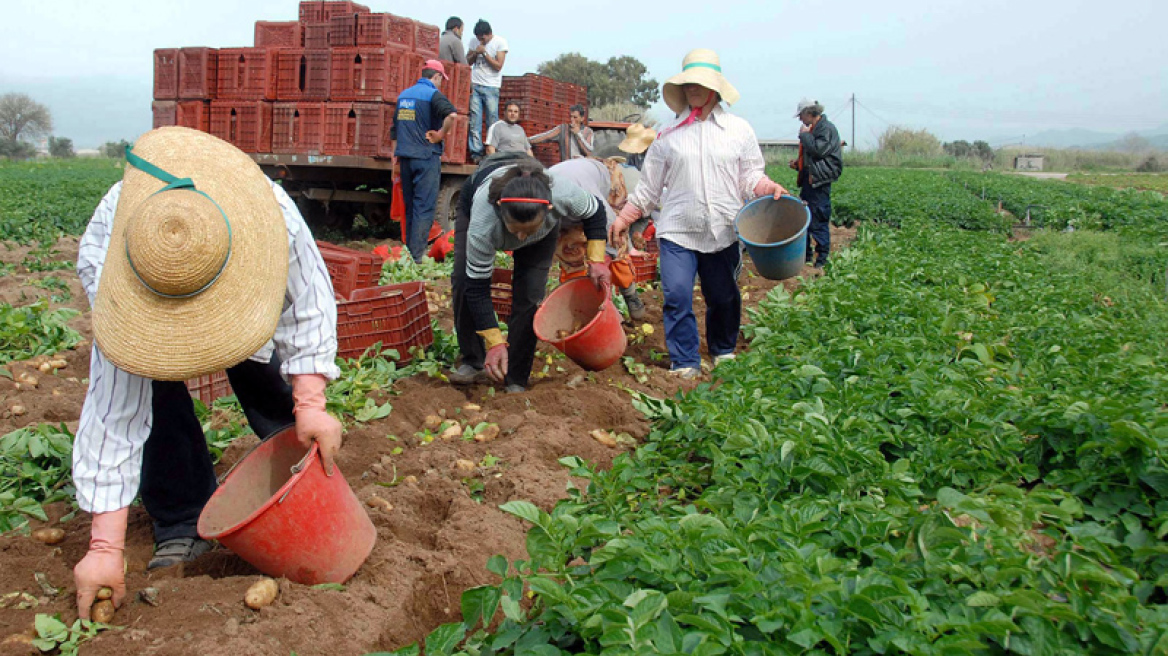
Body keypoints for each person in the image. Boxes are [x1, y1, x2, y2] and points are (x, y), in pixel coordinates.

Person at [71, 126, 342, 620]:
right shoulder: (115, 253)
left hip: (241, 262)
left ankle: (303, 470)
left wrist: (311, 403)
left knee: (260, 365)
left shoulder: (269, 211)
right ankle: (181, 517)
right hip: (129, 272)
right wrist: (104, 548)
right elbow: (114, 415)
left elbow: (310, 305)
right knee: (154, 388)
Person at [610, 49, 788, 379]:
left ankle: (722, 349)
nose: (692, 88)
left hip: (723, 228)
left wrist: (767, 187)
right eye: (688, 83)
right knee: (677, 294)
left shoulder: (738, 130)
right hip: (678, 230)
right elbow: (649, 188)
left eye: (699, 82)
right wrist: (623, 218)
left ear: (714, 87)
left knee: (723, 296)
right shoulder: (667, 135)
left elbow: (750, 177)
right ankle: (684, 360)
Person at [448, 154, 611, 392]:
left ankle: (516, 378)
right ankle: (473, 361)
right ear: (501, 209)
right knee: (464, 280)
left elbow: (595, 212)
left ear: (550, 209)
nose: (521, 238)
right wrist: (495, 342)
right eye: (515, 231)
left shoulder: (563, 194)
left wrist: (596, 260)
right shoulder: (484, 223)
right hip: (478, 196)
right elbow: (477, 288)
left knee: (529, 296)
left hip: (542, 232)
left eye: (528, 231)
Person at [547, 156, 647, 320]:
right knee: (570, 252)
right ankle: (583, 306)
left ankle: (630, 294)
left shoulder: (580, 197)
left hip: (606, 181)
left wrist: (601, 261)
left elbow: (608, 225)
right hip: (566, 201)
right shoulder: (537, 206)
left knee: (616, 243)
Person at [391, 60, 458, 263]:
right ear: (436, 76)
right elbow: (452, 115)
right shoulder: (432, 94)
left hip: (405, 159)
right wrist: (440, 134)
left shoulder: (404, 96)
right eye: (441, 79)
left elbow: (394, 131)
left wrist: (394, 161)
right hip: (426, 158)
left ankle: (409, 253)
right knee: (424, 208)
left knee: (410, 207)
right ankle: (416, 257)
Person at [788, 98, 842, 268]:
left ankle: (821, 261)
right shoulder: (816, 129)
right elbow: (813, 157)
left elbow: (819, 150)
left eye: (801, 115)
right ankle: (807, 257)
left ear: (809, 112)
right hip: (811, 181)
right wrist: (799, 165)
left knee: (818, 218)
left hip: (819, 183)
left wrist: (804, 135)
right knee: (805, 217)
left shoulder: (825, 128)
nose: (800, 119)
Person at [466, 20, 508, 163]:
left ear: (489, 34)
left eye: (482, 38)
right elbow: (468, 61)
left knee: (492, 120)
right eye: (478, 38)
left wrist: (484, 53)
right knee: (475, 120)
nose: (480, 40)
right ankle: (476, 153)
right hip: (476, 84)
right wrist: (475, 53)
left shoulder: (500, 42)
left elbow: (498, 66)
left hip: (491, 86)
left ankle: (492, 151)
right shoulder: (474, 42)